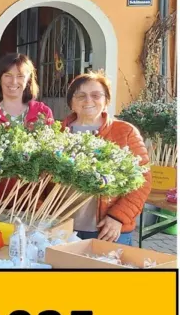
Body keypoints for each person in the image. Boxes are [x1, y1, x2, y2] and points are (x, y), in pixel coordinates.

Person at [62, 72, 151, 245]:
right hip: (62, 226)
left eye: (96, 95)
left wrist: (118, 217)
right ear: (71, 102)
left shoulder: (125, 132)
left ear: (106, 101)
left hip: (107, 229)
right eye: (81, 95)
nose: (88, 100)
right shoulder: (57, 133)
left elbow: (143, 180)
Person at [0, 52, 54, 126]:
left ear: (28, 80)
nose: (14, 82)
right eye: (8, 75)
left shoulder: (43, 113)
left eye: (20, 76)